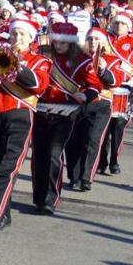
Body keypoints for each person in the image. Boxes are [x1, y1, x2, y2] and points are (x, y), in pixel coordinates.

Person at [0, 19, 49, 236]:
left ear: (31, 38)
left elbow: (37, 85)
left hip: (19, 116)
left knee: (8, 167)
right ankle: (4, 214)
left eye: (22, 35)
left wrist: (16, 64)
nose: (17, 38)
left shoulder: (39, 61)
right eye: (14, 34)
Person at [32, 20, 86, 215]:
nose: (59, 46)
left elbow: (94, 85)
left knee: (54, 153)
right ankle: (39, 197)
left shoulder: (82, 61)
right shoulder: (44, 57)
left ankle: (50, 198)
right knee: (39, 154)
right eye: (57, 42)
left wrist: (86, 95)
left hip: (66, 112)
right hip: (41, 110)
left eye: (64, 43)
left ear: (71, 43)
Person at [100, 10, 133, 174]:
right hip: (103, 87)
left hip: (123, 88)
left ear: (128, 26)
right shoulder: (104, 38)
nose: (119, 26)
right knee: (103, 126)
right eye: (116, 22)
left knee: (118, 126)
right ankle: (101, 160)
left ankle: (114, 160)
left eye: (123, 23)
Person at [65, 28, 119, 191]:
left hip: (100, 105)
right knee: (73, 141)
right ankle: (74, 177)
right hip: (79, 103)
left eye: (97, 39)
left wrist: (103, 70)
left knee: (92, 141)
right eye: (90, 39)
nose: (93, 42)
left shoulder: (112, 60)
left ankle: (86, 177)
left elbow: (114, 81)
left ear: (103, 42)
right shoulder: (77, 59)